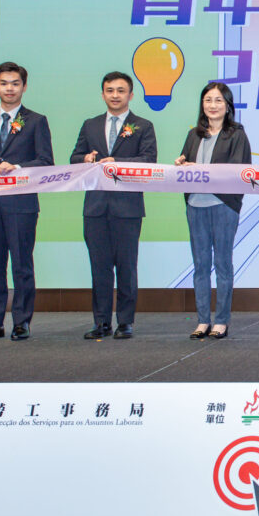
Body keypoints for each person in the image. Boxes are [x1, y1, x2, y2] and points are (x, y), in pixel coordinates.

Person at [0, 61, 54, 341]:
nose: (9, 89)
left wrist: (17, 167)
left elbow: (45, 161)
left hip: (21, 204)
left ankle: (21, 322)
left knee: (21, 265)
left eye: (15, 84)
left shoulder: (36, 120)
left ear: (24, 87)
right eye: (4, 83)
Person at [70, 71, 157, 340]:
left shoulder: (143, 125)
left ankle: (125, 322)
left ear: (131, 95)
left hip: (127, 208)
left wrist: (116, 162)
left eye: (121, 90)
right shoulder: (90, 125)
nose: (115, 95)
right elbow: (74, 158)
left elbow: (149, 161)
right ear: (102, 94)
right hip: (95, 208)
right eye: (110, 90)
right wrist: (85, 159)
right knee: (99, 268)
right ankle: (101, 322)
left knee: (127, 267)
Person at [175, 83, 251, 340]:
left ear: (228, 106)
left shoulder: (237, 134)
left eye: (219, 100)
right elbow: (186, 162)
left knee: (222, 264)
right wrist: (181, 163)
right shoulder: (193, 134)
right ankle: (202, 320)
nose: (213, 105)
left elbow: (238, 170)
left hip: (223, 205)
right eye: (208, 100)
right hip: (195, 204)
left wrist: (200, 169)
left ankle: (221, 320)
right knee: (200, 265)